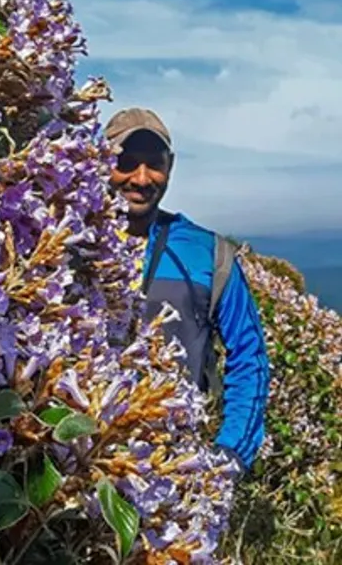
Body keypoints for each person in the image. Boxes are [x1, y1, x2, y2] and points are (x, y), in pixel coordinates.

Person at [103, 107, 269, 477]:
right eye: (126, 162)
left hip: (172, 463)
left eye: (154, 164)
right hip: (81, 455)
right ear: (100, 162)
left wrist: (231, 455)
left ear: (171, 166)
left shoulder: (210, 253)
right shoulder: (63, 242)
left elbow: (249, 355)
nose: (141, 178)